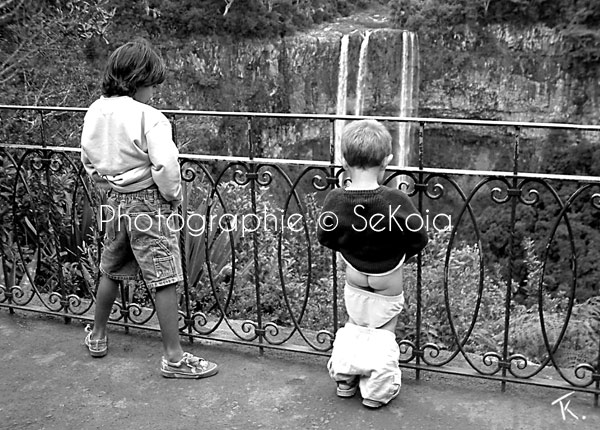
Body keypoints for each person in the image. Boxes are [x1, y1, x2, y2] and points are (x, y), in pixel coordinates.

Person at [80, 38, 218, 379]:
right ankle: (174, 357)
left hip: (114, 201)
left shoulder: (95, 111)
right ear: (138, 80)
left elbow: (88, 158)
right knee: (165, 275)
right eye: (153, 85)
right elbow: (166, 165)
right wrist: (172, 197)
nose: (154, 93)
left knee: (110, 268)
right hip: (149, 204)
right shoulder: (150, 117)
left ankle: (97, 335)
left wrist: (107, 185)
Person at [317, 119, 428, 408]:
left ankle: (344, 380)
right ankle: (377, 392)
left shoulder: (336, 198)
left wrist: (345, 247)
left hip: (355, 277)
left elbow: (324, 234)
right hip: (387, 281)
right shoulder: (396, 199)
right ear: (387, 161)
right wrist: (402, 255)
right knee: (382, 335)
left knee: (354, 327)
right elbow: (419, 236)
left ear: (343, 161)